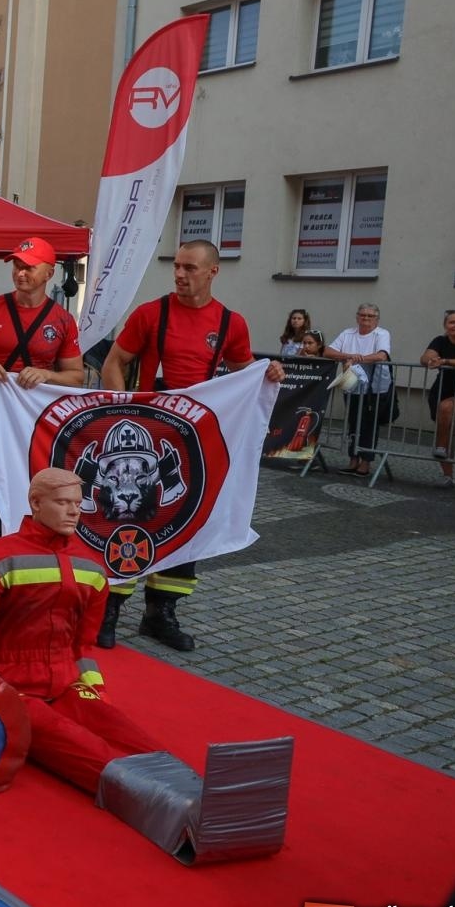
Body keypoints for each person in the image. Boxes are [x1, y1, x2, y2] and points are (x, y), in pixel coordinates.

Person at [0, 469, 293, 864]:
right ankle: (182, 820)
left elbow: (83, 644)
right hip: (12, 686)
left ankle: (215, 800)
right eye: (61, 502)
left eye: (77, 503)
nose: (73, 512)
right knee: (86, 749)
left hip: (67, 680)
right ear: (35, 503)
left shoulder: (90, 565)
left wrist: (94, 693)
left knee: (129, 734)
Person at [99, 240, 284, 651]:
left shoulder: (231, 323)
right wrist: (119, 410)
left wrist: (267, 372)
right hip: (147, 436)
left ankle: (160, 613)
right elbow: (115, 362)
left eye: (190, 268)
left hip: (193, 440)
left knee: (186, 518)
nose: (180, 275)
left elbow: (244, 375)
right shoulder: (150, 314)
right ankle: (107, 609)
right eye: (177, 267)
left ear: (213, 272)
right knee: (130, 517)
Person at [0, 238, 84, 570]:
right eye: (17, 266)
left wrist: (46, 376)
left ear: (49, 272)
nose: (21, 273)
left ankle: (17, 568)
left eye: (30, 267)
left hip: (33, 423)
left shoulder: (62, 320)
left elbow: (76, 377)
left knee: (27, 493)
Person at [323, 303, 392, 478]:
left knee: (369, 423)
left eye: (370, 316)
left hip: (375, 388)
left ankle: (366, 462)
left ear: (377, 319)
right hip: (353, 386)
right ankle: (353, 459)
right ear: (357, 317)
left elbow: (381, 355)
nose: (366, 319)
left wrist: (358, 359)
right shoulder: (348, 333)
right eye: (362, 315)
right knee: (354, 422)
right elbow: (328, 351)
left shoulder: (381, 334)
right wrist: (350, 357)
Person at [421, 308, 455, 488]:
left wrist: (446, 361)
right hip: (442, 389)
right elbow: (426, 357)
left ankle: (439, 448)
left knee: (447, 407)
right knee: (446, 429)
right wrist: (431, 359)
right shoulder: (440, 340)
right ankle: (448, 476)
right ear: (445, 326)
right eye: (452, 322)